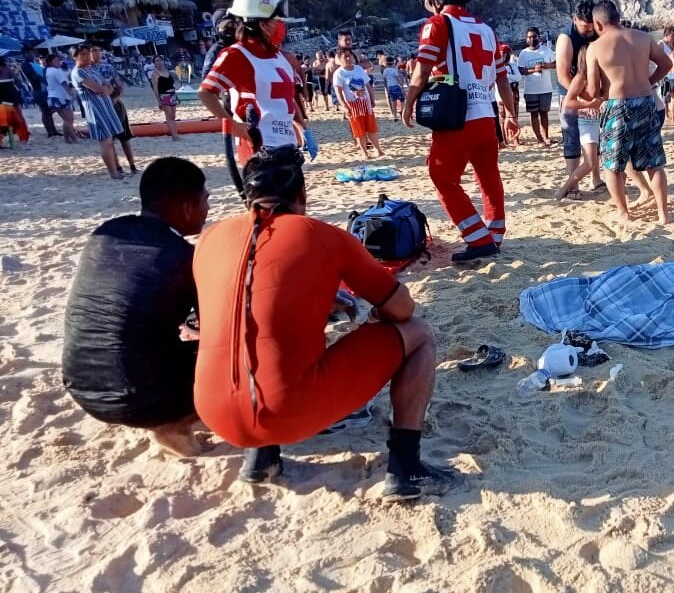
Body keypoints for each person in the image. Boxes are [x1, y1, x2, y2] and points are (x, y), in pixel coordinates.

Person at [192, 148, 459, 499]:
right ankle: (406, 468)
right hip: (286, 411)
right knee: (419, 334)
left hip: (213, 411)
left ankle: (260, 457)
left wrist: (317, 297)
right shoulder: (321, 235)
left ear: (247, 197)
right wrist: (374, 313)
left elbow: (245, 303)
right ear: (302, 195)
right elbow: (403, 308)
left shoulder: (209, 238)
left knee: (253, 341)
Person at [62, 157, 210, 456]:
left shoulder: (107, 232)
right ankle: (174, 425)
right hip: (141, 400)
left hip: (81, 386)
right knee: (233, 357)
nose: (208, 209)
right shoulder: (184, 257)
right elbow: (218, 327)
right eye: (205, 200)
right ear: (187, 207)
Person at [403, 0, 519, 263]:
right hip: (486, 116)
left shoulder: (437, 24)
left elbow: (422, 69)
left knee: (441, 177)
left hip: (456, 118)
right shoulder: (487, 30)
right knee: (488, 177)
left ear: (435, 1)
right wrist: (510, 114)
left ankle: (478, 239)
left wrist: (409, 102)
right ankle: (495, 233)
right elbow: (502, 79)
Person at [585, 0, 672, 224]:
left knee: (612, 166)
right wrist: (648, 81)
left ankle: (624, 212)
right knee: (654, 163)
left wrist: (594, 93)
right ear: (617, 17)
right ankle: (663, 213)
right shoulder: (643, 38)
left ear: (598, 24)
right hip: (645, 101)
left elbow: (593, 90)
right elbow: (666, 64)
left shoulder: (596, 47)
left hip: (617, 105)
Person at [199, 0, 306, 164]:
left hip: (287, 146)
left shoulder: (279, 56)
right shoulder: (236, 55)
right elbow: (205, 92)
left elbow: (286, 100)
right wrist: (234, 127)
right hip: (259, 151)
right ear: (262, 24)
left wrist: (303, 128)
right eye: (276, 20)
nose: (280, 25)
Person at [554, 0, 601, 192]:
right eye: (585, 27)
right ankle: (573, 186)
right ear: (575, 19)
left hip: (593, 94)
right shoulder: (566, 38)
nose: (589, 31)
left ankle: (596, 179)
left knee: (594, 139)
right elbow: (562, 75)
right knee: (572, 139)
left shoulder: (597, 31)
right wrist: (584, 97)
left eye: (592, 27)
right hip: (570, 94)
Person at [554, 48, 603, 201]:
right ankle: (564, 189)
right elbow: (568, 102)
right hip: (588, 121)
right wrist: (589, 104)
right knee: (589, 163)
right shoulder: (581, 77)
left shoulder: (602, 74)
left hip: (601, 120)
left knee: (606, 158)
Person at [70, 46, 124, 179]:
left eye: (87, 53)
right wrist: (104, 89)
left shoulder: (91, 69)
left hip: (106, 106)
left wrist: (105, 89)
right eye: (83, 54)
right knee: (106, 141)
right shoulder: (78, 72)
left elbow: (109, 87)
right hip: (95, 109)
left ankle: (117, 169)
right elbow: (99, 89)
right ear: (75, 57)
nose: (87, 56)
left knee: (110, 140)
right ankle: (113, 173)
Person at [517, 27, 556, 146]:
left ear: (539, 37)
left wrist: (547, 65)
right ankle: (539, 139)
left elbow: (556, 63)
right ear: (526, 39)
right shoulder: (524, 53)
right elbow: (521, 70)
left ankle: (546, 137)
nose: (532, 39)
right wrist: (534, 69)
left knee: (544, 113)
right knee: (534, 114)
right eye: (529, 37)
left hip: (546, 88)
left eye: (534, 36)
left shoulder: (546, 50)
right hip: (530, 90)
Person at [335, 65, 384, 158]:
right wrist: (344, 106)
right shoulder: (339, 73)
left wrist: (372, 99)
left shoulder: (359, 68)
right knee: (359, 130)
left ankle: (378, 150)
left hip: (366, 104)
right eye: (345, 58)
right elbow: (338, 91)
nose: (348, 59)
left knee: (371, 128)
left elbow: (368, 85)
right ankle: (364, 152)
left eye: (350, 57)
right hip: (353, 105)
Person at [24, 52, 58, 138]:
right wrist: (45, 80)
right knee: (45, 111)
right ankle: (49, 131)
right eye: (30, 52)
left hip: (44, 89)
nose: (32, 54)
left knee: (49, 111)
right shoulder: (26, 64)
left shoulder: (34, 63)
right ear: (25, 54)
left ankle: (53, 130)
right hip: (38, 90)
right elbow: (34, 76)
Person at [45, 53, 77, 143]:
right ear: (51, 62)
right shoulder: (56, 71)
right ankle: (74, 139)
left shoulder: (48, 70)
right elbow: (64, 83)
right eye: (56, 61)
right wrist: (71, 94)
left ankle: (67, 139)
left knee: (66, 119)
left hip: (53, 96)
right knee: (69, 119)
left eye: (58, 60)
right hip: (61, 96)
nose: (59, 62)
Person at [110, 84, 139, 176]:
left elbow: (119, 87)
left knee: (121, 140)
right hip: (110, 104)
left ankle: (129, 167)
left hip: (113, 104)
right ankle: (123, 167)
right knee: (112, 142)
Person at [150, 55, 180, 141]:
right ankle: (174, 136)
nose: (159, 62)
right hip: (164, 96)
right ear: (154, 63)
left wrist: (176, 93)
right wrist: (159, 100)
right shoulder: (155, 74)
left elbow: (172, 83)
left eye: (160, 60)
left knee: (173, 116)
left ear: (163, 61)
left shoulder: (167, 71)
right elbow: (155, 88)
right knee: (169, 116)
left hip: (172, 94)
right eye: (156, 61)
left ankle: (175, 133)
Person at [381, 56, 404, 121]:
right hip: (396, 86)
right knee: (402, 100)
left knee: (394, 102)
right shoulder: (394, 70)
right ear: (393, 63)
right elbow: (397, 79)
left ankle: (395, 116)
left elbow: (385, 80)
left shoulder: (385, 71)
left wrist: (386, 88)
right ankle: (401, 111)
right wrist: (401, 84)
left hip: (390, 87)